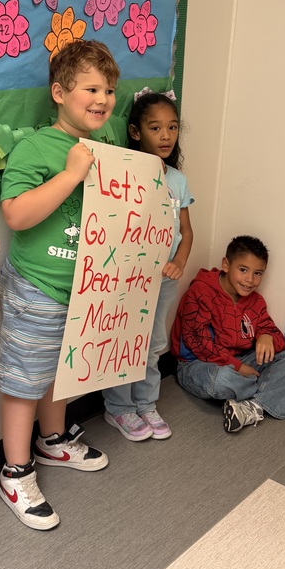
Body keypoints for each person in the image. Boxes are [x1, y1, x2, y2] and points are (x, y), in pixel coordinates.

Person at [0, 39, 119, 530]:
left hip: (84, 288)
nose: (103, 98)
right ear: (59, 92)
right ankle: (15, 471)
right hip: (38, 286)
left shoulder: (105, 142)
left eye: (108, 89)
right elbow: (16, 214)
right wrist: (71, 175)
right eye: (91, 88)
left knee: (61, 369)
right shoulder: (37, 147)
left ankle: (53, 442)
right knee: (25, 379)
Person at [103, 91, 193, 441]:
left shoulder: (178, 180)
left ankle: (146, 402)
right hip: (129, 279)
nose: (166, 135)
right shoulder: (124, 176)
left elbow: (186, 232)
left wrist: (180, 262)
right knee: (124, 340)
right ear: (136, 132)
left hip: (163, 280)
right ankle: (119, 408)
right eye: (156, 128)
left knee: (154, 344)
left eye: (172, 127)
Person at [171, 234, 285, 432]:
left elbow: (278, 339)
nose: (250, 280)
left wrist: (266, 336)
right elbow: (197, 344)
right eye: (243, 270)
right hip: (198, 365)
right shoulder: (201, 292)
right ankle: (283, 392)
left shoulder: (256, 302)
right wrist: (237, 368)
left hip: (242, 361)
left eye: (258, 273)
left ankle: (251, 406)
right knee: (221, 380)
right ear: (226, 265)